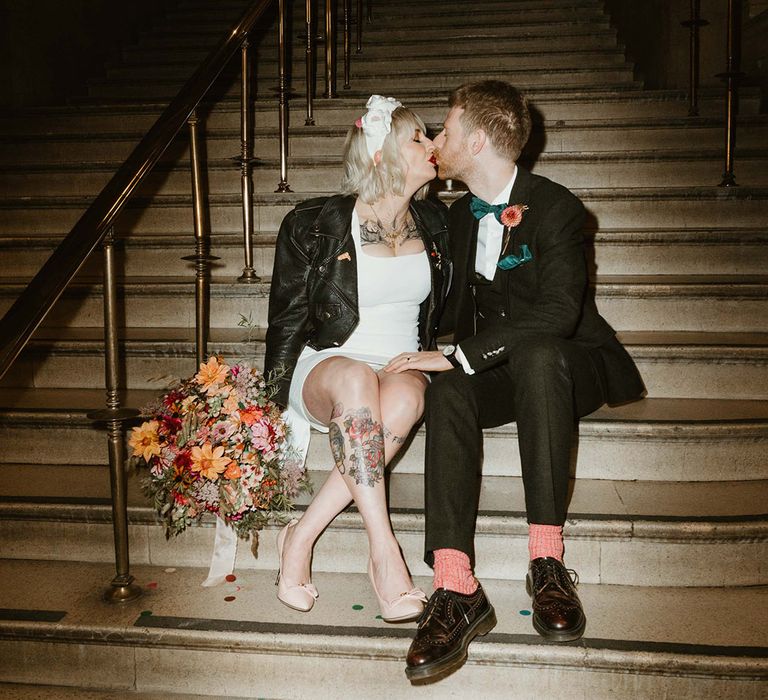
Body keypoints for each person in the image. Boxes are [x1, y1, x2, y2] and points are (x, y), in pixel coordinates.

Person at [383, 80, 645, 680]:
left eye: (445, 131)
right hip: (497, 369)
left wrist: (464, 353)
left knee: (533, 354)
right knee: (447, 385)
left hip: (568, 364)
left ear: (476, 141)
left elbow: (559, 314)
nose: (438, 141)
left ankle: (547, 560)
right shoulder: (455, 217)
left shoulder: (556, 207)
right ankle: (456, 585)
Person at [264, 95, 451, 622]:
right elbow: (286, 321)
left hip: (398, 365)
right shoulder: (312, 223)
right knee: (354, 382)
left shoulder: (439, 223)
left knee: (405, 397)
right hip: (328, 366)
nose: (433, 144)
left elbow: (461, 308)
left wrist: (445, 354)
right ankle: (384, 552)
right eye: (418, 138)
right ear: (381, 154)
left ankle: (299, 537)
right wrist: (270, 404)